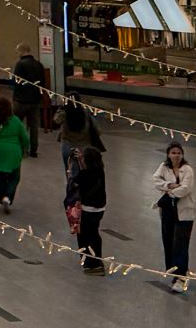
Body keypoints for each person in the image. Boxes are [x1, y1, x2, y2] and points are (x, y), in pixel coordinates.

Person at [150, 141, 196, 292]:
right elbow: (156, 180)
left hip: (184, 213)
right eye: (173, 153)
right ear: (168, 154)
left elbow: (186, 189)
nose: (176, 155)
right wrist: (170, 185)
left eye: (178, 153)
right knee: (168, 240)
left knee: (181, 244)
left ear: (182, 155)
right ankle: (173, 271)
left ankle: (181, 278)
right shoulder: (164, 167)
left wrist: (169, 192)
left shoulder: (187, 169)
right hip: (168, 211)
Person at [0, 96, 30, 213]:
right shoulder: (16, 121)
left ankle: (1, 197)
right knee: (14, 177)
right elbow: (24, 137)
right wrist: (25, 148)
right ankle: (8, 196)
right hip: (13, 153)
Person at [73, 145, 107, 275]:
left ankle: (93, 263)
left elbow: (75, 182)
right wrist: (82, 161)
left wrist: (75, 165)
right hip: (99, 208)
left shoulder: (85, 174)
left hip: (87, 209)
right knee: (94, 234)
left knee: (85, 235)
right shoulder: (100, 171)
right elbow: (86, 174)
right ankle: (95, 261)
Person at [10, 43, 44, 158]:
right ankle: (34, 150)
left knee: (16, 124)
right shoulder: (38, 64)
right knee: (34, 127)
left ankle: (19, 147)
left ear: (21, 51)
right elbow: (42, 82)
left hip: (21, 100)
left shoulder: (20, 64)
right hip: (35, 100)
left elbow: (16, 81)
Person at [56, 102, 104, 172]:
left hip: (68, 148)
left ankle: (71, 182)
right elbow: (98, 131)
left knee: (70, 172)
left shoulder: (64, 113)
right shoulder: (86, 115)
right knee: (83, 173)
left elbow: (56, 120)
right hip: (83, 149)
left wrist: (60, 109)